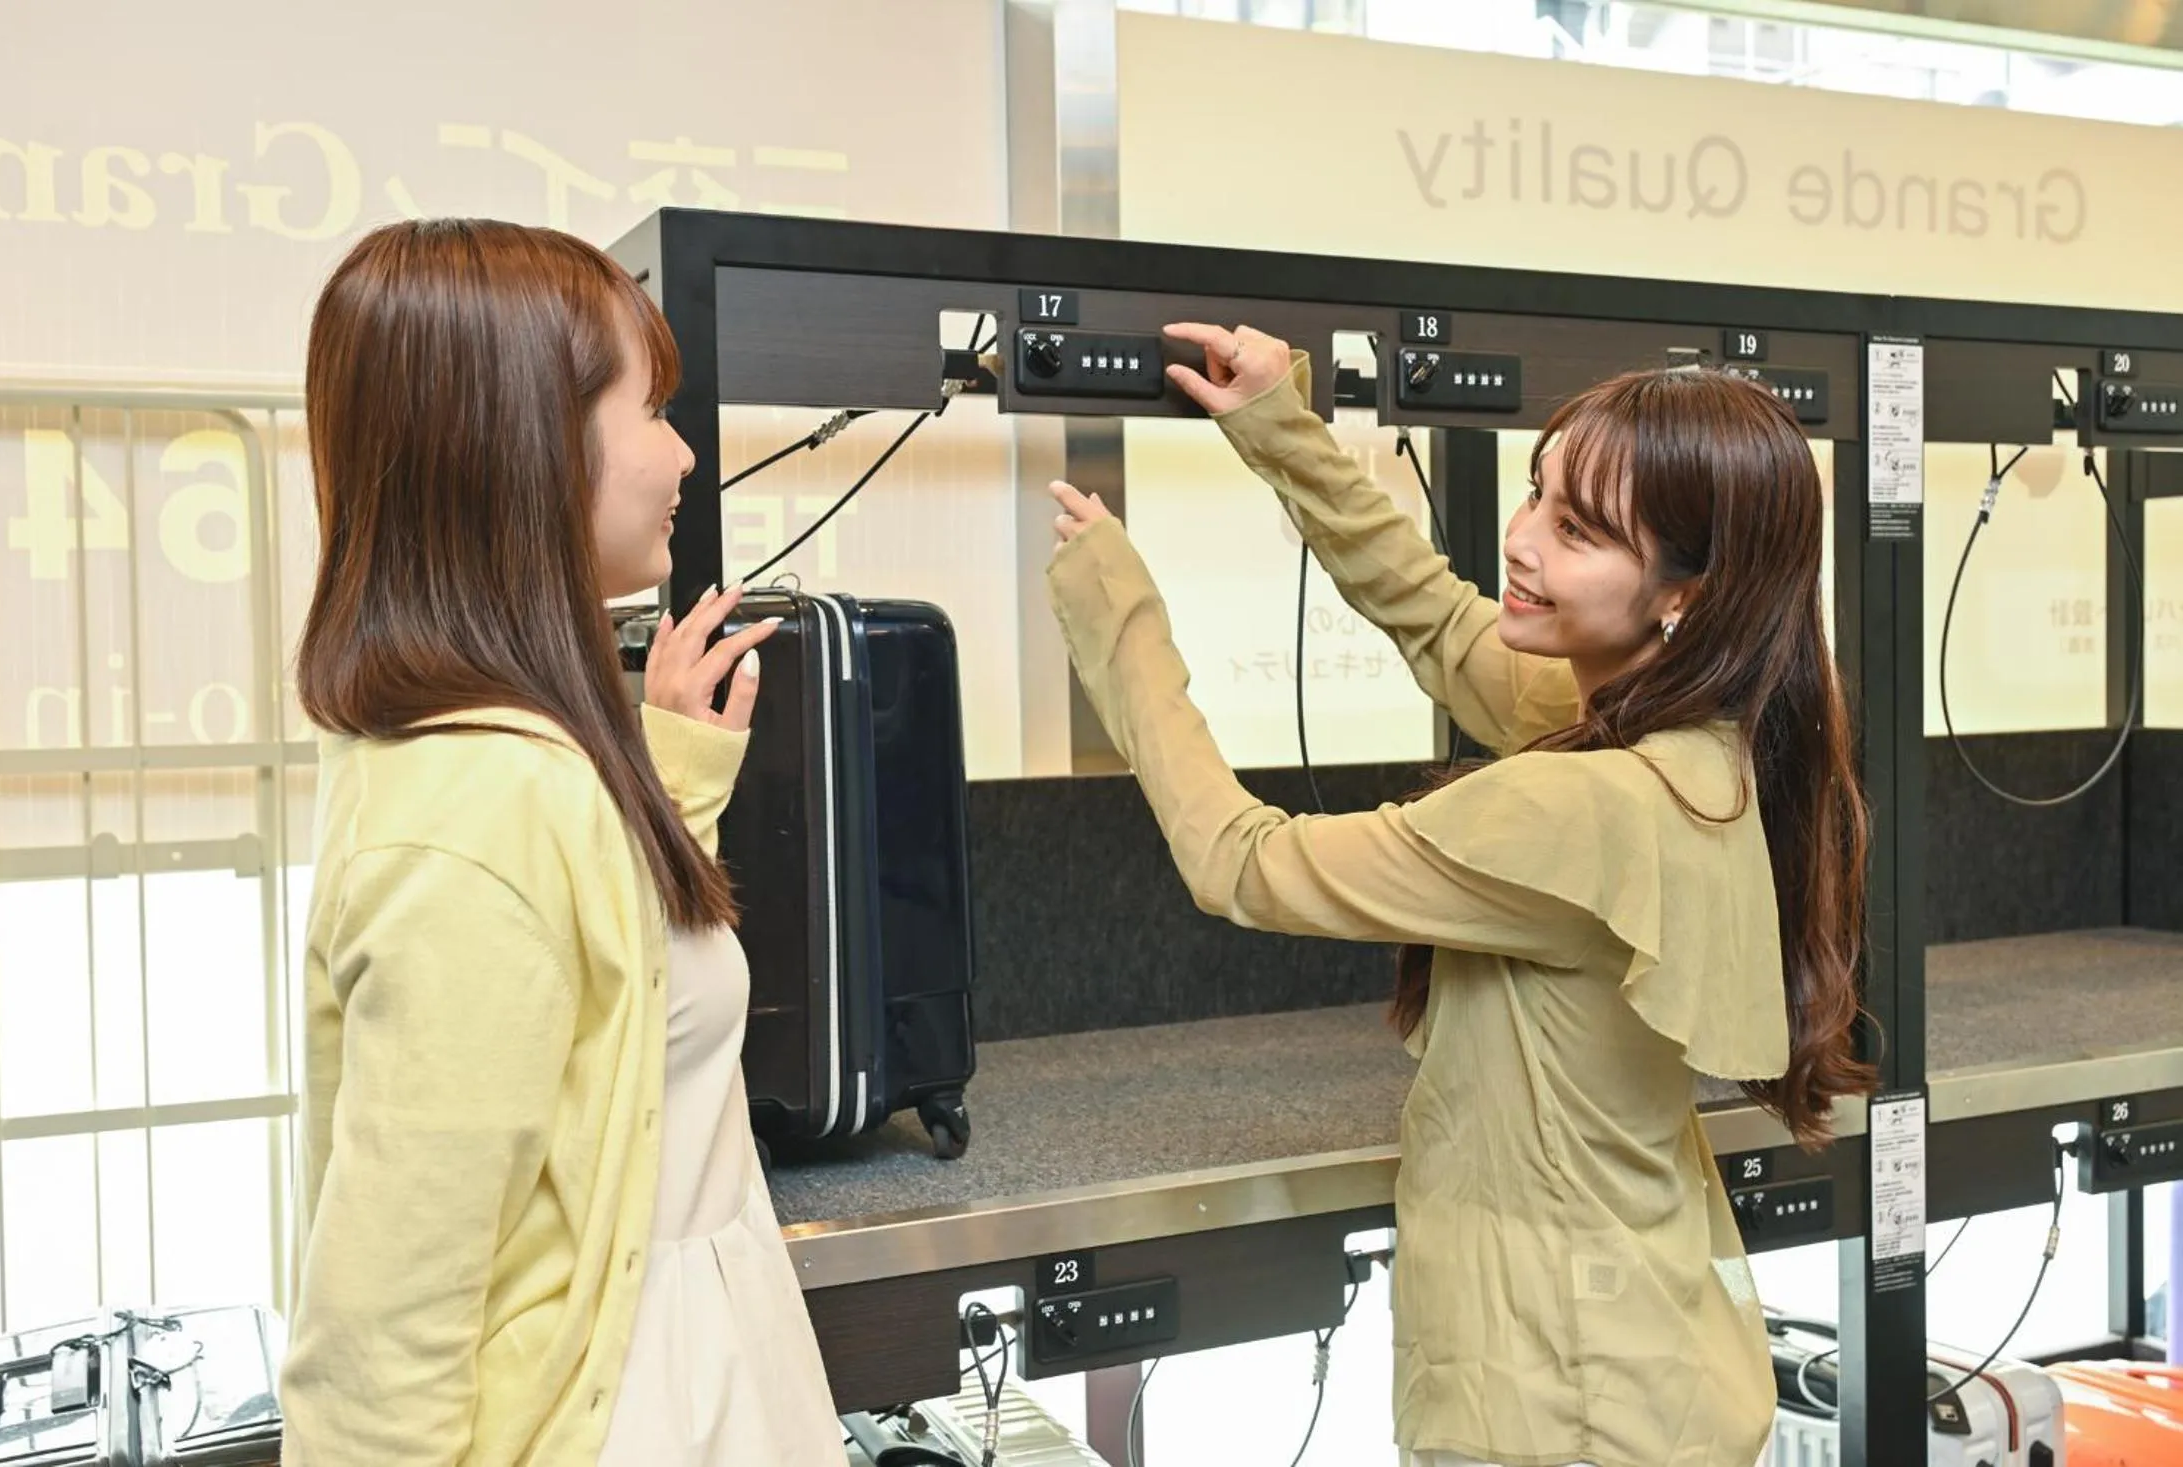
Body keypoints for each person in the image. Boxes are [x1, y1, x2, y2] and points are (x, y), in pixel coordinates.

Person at [1045, 323, 1868, 1467]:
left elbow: (1239, 860)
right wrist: (1280, 426)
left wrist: (1114, 611)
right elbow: (1439, 620)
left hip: (1559, 1403)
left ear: (1689, 591)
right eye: (1537, 494)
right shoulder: (1711, 740)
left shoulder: (1586, 807)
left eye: (1575, 531)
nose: (1521, 540)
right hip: (1648, 1365)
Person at [280, 218, 846, 1466]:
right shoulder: (474, 815)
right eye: (651, 410)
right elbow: (382, 1349)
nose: (684, 453)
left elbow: (602, 1002)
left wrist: (673, 780)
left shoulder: (517, 762)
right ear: (525, 446)